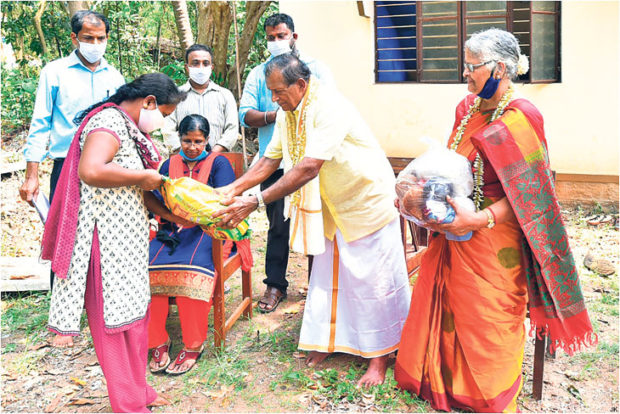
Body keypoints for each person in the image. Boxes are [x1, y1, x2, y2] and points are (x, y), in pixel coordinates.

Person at [394, 28, 596, 412]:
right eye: (465, 66)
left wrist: (477, 220)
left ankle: (486, 393)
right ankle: (440, 379)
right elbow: (454, 165)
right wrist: (419, 192)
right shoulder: (466, 108)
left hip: (493, 236)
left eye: (472, 67)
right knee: (446, 301)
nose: (465, 75)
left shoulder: (522, 117)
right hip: (453, 230)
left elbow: (529, 193)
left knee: (485, 318)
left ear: (499, 69)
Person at [216, 54, 411, 387]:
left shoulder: (329, 106)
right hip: (331, 206)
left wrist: (256, 201)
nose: (274, 99)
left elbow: (308, 167)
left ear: (301, 85)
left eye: (278, 92)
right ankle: (330, 342)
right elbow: (269, 159)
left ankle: (380, 357)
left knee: (371, 283)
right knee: (329, 277)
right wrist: (232, 189)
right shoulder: (288, 112)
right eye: (271, 92)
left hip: (365, 200)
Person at [41, 73, 190, 412]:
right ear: (149, 103)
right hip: (101, 242)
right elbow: (92, 170)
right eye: (164, 114)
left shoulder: (128, 126)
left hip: (126, 239)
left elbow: (134, 190)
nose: (162, 122)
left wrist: (174, 215)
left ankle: (140, 393)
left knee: (135, 319)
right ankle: (128, 404)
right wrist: (144, 177)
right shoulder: (107, 123)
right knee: (113, 328)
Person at [19, 9, 125, 348]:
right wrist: (31, 174)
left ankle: (104, 308)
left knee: (105, 235)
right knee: (65, 237)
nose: (95, 44)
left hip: (106, 165)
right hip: (66, 164)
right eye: (88, 38)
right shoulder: (55, 73)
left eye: (101, 38)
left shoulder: (115, 75)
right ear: (74, 38)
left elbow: (123, 119)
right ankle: (63, 317)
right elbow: (40, 124)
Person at [238, 13, 334, 313]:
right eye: (270, 37)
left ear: (294, 36)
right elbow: (246, 115)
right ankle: (275, 284)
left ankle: (317, 285)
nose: (276, 42)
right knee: (278, 225)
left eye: (281, 36)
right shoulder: (258, 74)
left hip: (313, 161)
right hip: (276, 157)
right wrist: (278, 114)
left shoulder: (317, 71)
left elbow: (326, 112)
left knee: (317, 220)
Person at [147, 114, 236, 375]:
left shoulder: (218, 163)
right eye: (187, 140)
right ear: (179, 138)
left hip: (209, 231)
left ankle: (194, 344)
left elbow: (226, 202)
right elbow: (156, 201)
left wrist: (197, 217)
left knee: (191, 271)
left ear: (207, 140)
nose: (193, 147)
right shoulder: (168, 164)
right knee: (146, 270)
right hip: (171, 229)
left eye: (198, 141)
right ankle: (158, 341)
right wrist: (168, 219)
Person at [162, 44, 238, 153]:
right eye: (195, 63)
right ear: (187, 67)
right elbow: (168, 130)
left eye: (205, 63)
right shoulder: (175, 96)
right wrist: (186, 153)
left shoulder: (225, 95)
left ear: (211, 67)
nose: (200, 67)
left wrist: (213, 153)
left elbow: (232, 130)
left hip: (217, 159)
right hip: (183, 160)